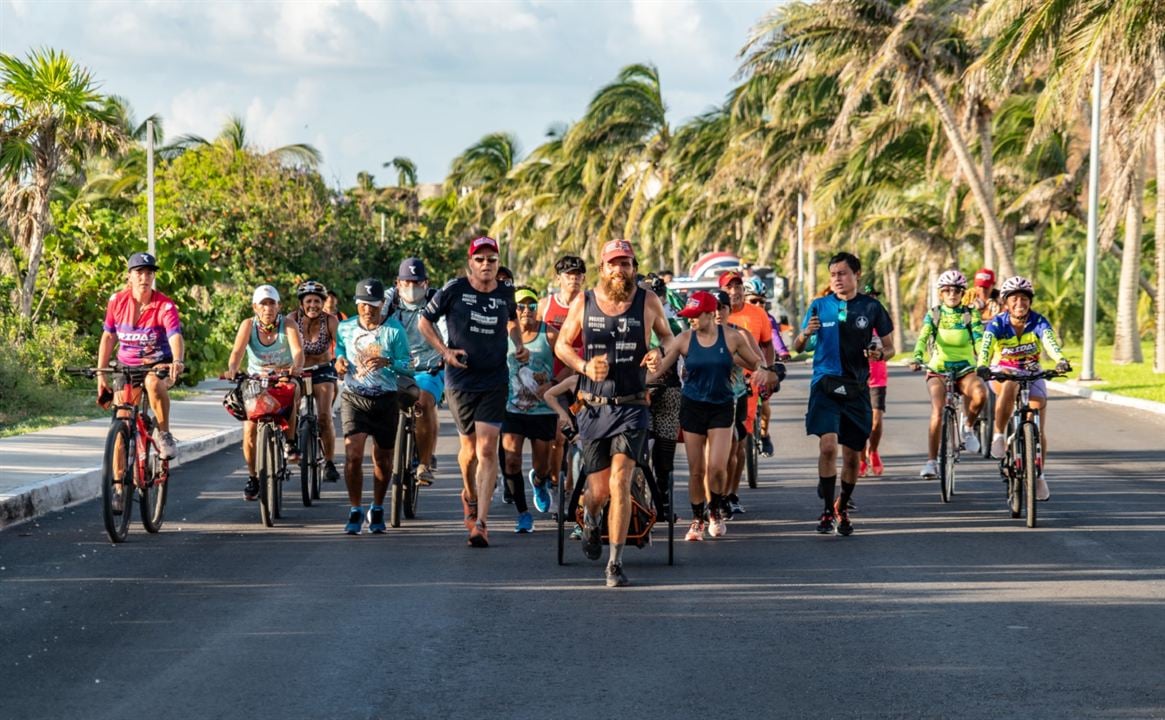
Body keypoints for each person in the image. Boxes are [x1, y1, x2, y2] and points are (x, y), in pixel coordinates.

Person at [555, 239, 674, 588]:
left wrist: (657, 354)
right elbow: (562, 345)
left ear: (634, 267)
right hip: (594, 407)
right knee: (599, 491)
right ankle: (591, 518)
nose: (619, 270)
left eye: (626, 264)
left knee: (620, 481)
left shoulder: (647, 300)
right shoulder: (585, 301)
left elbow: (668, 338)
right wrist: (584, 366)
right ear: (602, 267)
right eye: (613, 264)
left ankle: (615, 562)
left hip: (633, 405)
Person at [420, 236, 527, 548]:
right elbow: (425, 322)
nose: (486, 265)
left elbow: (512, 321)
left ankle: (481, 523)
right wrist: (445, 351)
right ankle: (468, 494)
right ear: (470, 263)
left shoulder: (506, 293)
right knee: (468, 452)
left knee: (487, 450)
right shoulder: (454, 289)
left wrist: (519, 345)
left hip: (494, 379)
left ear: (497, 263)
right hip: (461, 380)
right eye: (479, 259)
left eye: (491, 259)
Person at [791, 252, 894, 536]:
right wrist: (805, 334)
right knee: (827, 447)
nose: (837, 279)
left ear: (856, 275)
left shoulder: (871, 307)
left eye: (843, 273)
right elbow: (799, 346)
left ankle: (842, 505)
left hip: (856, 387)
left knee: (852, 457)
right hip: (824, 384)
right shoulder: (819, 306)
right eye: (833, 274)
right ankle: (826, 510)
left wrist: (878, 354)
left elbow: (889, 348)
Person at [652, 290, 761, 540]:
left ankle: (715, 510)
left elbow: (756, 362)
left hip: (722, 406)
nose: (690, 319)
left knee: (717, 468)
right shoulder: (684, 339)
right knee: (696, 469)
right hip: (692, 407)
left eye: (695, 315)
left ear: (711, 314)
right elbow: (660, 369)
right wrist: (636, 381)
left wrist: (766, 371)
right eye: (688, 315)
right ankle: (697, 519)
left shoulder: (732, 338)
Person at [97, 252, 185, 511]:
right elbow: (108, 338)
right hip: (126, 366)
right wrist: (102, 372)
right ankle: (117, 487)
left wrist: (177, 360)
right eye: (139, 273)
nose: (144, 278)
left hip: (157, 364)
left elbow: (175, 337)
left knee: (153, 384)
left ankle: (164, 433)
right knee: (121, 426)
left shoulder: (164, 305)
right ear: (130, 276)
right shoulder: (117, 301)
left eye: (149, 273)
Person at [976, 276, 1070, 501]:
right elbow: (986, 347)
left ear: (1030, 301)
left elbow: (1050, 342)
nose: (1020, 303)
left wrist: (1061, 360)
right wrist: (982, 365)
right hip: (1002, 372)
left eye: (1025, 298)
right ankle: (998, 436)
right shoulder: (997, 323)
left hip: (1032, 372)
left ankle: (1039, 476)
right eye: (1015, 298)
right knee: (1009, 381)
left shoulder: (1038, 321)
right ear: (1006, 302)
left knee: (1036, 420)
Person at [334, 278, 412, 534]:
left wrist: (388, 362)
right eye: (364, 305)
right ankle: (355, 509)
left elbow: (407, 364)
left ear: (382, 304)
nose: (369, 310)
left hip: (385, 399)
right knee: (353, 455)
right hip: (354, 397)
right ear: (357, 305)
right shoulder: (345, 327)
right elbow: (340, 351)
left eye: (374, 305)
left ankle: (377, 507)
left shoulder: (394, 331)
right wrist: (340, 361)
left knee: (383, 460)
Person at [224, 284, 304, 502]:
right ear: (255, 307)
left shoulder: (288, 324)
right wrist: (232, 369)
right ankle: (253, 478)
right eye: (263, 304)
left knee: (292, 392)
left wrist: (295, 368)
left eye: (272, 303)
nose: (268, 308)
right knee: (249, 430)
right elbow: (237, 353)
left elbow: (298, 352)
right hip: (256, 380)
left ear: (279, 306)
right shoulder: (248, 325)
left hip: (284, 376)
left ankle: (290, 442)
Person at [909, 270, 988, 478]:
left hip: (965, 369)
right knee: (937, 410)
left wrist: (984, 361)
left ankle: (968, 427)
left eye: (956, 291)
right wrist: (917, 357)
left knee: (980, 394)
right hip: (939, 370)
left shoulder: (970, 314)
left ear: (962, 293)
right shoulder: (934, 314)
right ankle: (931, 462)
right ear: (940, 294)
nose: (951, 294)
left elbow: (980, 341)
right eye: (947, 291)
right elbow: (923, 337)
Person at [720, 271, 781, 507]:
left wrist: (766, 370)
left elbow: (766, 344)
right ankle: (717, 496)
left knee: (739, 442)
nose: (734, 292)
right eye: (729, 288)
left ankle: (731, 494)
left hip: (749, 385)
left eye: (738, 287)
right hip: (720, 386)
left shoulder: (757, 315)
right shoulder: (714, 316)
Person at [501, 286, 559, 533]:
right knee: (511, 460)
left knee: (543, 466)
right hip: (512, 409)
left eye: (531, 306)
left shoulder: (550, 334)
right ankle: (523, 514)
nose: (526, 311)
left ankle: (539, 481)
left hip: (543, 410)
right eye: (520, 307)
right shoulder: (503, 333)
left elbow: (569, 363)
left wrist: (553, 384)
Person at [387, 258, 443, 487]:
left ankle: (424, 463)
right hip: (395, 368)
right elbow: (375, 325)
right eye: (407, 282)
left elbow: (449, 330)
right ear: (398, 283)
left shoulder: (438, 301)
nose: (412, 287)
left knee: (424, 401)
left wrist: (449, 352)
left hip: (429, 367)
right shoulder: (388, 301)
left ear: (426, 283)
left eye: (417, 282)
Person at [714, 290, 764, 518]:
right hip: (706, 399)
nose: (717, 312)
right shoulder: (695, 334)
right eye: (712, 308)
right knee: (710, 454)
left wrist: (732, 357)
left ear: (728, 310)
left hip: (736, 396)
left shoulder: (740, 334)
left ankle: (728, 495)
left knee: (734, 448)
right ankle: (711, 500)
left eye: (722, 307)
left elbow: (758, 363)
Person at [286, 280, 341, 483]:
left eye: (317, 301)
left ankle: (329, 462)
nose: (313, 305)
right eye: (308, 301)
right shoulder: (291, 320)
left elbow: (341, 346)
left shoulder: (331, 321)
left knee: (325, 416)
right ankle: (291, 444)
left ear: (323, 302)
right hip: (297, 371)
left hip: (322, 370)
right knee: (288, 403)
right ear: (301, 303)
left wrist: (344, 362)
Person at [744, 277, 789, 458]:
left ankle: (764, 434)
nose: (758, 305)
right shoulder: (735, 316)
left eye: (761, 302)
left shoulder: (767, 319)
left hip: (763, 366)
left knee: (765, 404)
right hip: (741, 369)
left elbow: (774, 338)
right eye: (753, 301)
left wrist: (783, 353)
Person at [860, 285, 887, 477]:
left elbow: (890, 348)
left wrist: (881, 354)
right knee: (860, 422)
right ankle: (861, 459)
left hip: (878, 377)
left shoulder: (882, 320)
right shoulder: (853, 319)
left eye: (874, 297)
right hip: (857, 377)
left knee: (876, 422)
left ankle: (873, 450)